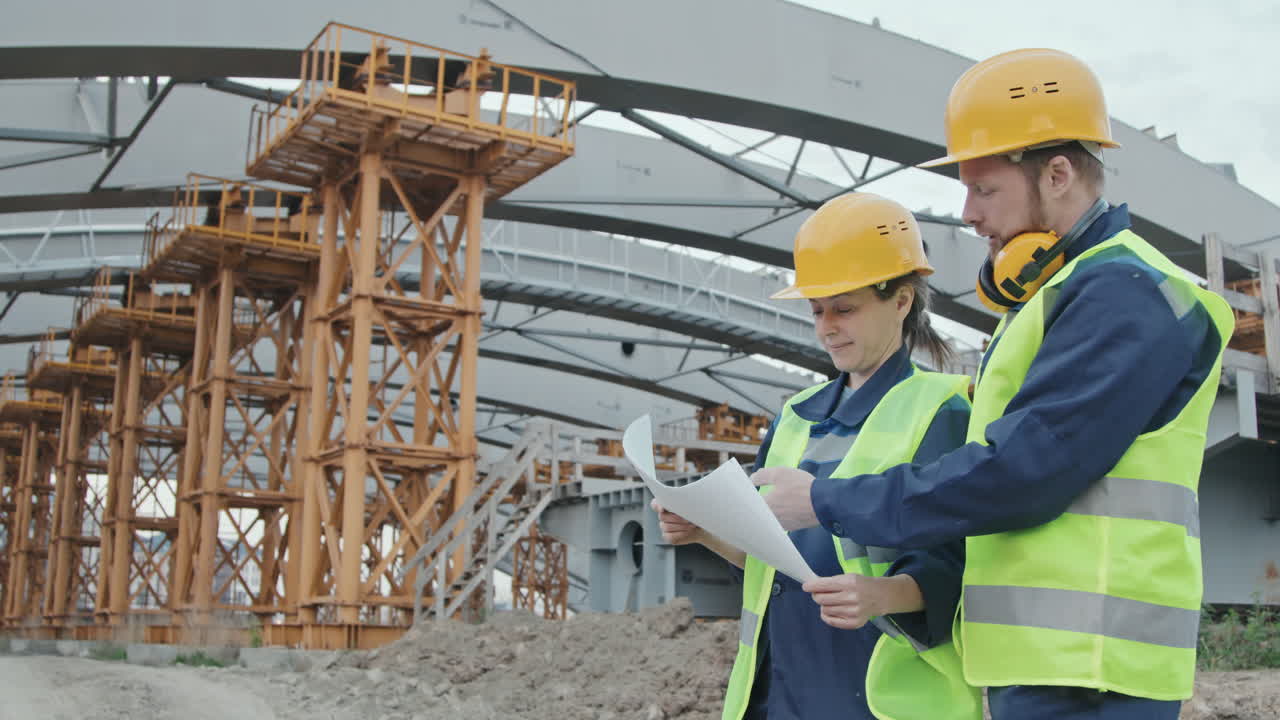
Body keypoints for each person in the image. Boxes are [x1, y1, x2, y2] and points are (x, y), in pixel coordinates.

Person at [755, 48, 1234, 719]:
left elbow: (1023, 471)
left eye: (984, 189)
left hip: (1094, 670)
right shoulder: (1062, 296)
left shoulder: (1124, 294)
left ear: (1059, 173)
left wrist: (826, 500)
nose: (969, 214)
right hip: (1052, 664)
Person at [654, 192, 981, 720]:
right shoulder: (795, 416)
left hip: (874, 693)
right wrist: (704, 533)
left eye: (845, 308)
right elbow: (771, 564)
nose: (827, 326)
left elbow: (956, 568)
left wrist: (880, 595)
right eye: (817, 310)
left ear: (901, 301)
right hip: (779, 688)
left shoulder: (941, 408)